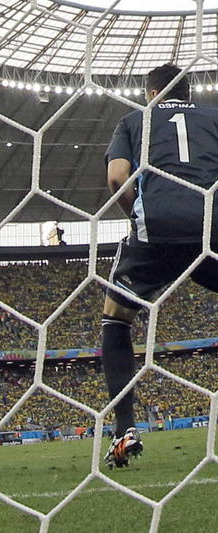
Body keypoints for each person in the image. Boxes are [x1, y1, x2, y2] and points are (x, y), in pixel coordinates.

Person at [102, 63, 218, 467]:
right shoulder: (213, 118)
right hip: (210, 227)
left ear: (151, 94)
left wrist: (136, 217)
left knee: (116, 317)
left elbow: (117, 176)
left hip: (156, 231)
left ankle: (125, 430)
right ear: (189, 95)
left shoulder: (134, 120)